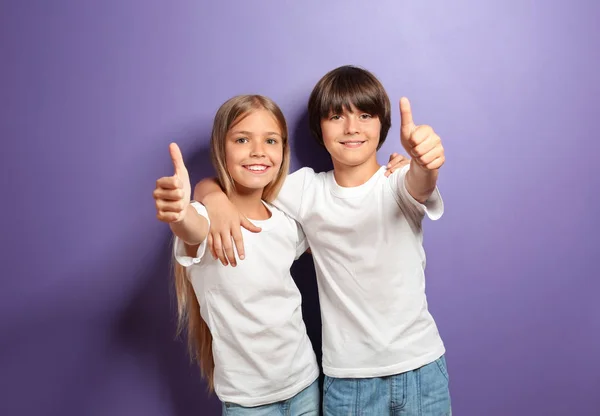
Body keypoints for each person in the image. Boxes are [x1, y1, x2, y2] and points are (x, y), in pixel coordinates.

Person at [195, 66, 451, 415]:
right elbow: (243, 176)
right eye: (336, 116)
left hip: (421, 367)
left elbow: (421, 183)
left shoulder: (398, 180)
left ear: (382, 125)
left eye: (365, 115)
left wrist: (426, 161)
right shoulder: (304, 190)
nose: (352, 128)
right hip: (348, 381)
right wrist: (212, 197)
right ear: (320, 128)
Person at [153, 95, 320, 415]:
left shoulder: (285, 221)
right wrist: (179, 211)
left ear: (283, 151)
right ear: (221, 148)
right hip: (249, 402)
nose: (258, 151)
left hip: (305, 384)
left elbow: (342, 235)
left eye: (270, 140)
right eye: (242, 139)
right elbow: (191, 228)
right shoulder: (205, 218)